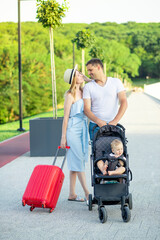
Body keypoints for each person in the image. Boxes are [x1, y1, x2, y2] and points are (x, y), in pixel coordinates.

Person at [60, 65, 90, 203]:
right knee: (78, 161)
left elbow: (95, 85)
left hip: (82, 129)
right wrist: (63, 137)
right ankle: (87, 193)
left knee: (74, 162)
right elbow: (66, 117)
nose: (81, 75)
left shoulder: (84, 91)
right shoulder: (69, 95)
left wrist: (87, 78)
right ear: (73, 79)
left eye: (81, 73)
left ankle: (71, 194)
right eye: (78, 74)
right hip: (72, 130)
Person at [83, 58, 128, 141]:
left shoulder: (116, 82)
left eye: (90, 70)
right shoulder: (88, 87)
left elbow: (124, 102)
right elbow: (86, 109)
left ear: (98, 67)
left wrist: (115, 121)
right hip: (96, 127)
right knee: (97, 152)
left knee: (116, 153)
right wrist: (98, 121)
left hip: (114, 125)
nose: (88, 73)